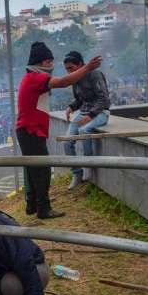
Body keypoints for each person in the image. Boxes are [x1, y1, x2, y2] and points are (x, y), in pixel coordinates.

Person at [16, 41, 102, 219]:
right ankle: (43, 208)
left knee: (34, 169)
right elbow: (63, 82)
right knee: (42, 170)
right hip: (31, 131)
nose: (51, 66)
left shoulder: (31, 78)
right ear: (40, 63)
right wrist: (87, 68)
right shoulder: (35, 78)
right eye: (48, 62)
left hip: (30, 130)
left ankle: (32, 205)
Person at [62, 51, 111, 190]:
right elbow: (79, 100)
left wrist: (90, 115)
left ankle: (88, 165)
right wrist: (71, 107)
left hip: (100, 112)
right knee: (67, 141)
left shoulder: (95, 74)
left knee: (84, 130)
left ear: (80, 64)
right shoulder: (75, 79)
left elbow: (104, 99)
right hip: (83, 112)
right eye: (67, 69)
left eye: (71, 68)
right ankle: (76, 173)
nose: (69, 72)